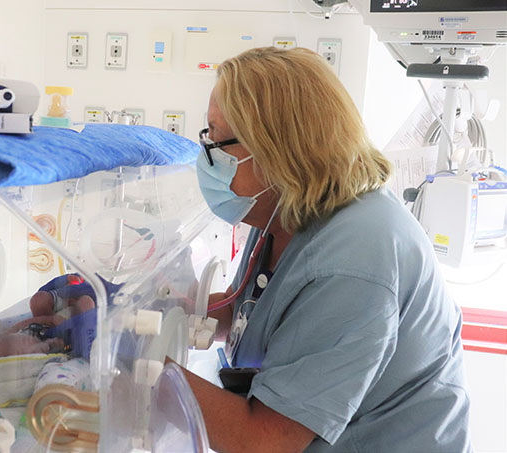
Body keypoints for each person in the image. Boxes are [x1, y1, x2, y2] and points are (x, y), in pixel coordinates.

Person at [173, 46, 471, 452]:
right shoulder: (289, 214)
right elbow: (251, 307)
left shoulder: (353, 259)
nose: (207, 156)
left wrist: (144, 370)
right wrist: (160, 312)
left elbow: (264, 441)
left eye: (218, 140)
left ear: (277, 150)